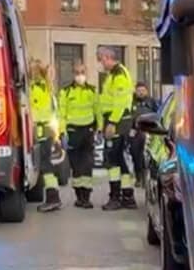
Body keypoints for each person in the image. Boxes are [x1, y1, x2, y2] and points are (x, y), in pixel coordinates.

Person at [97, 46, 136, 210]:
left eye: (101, 59)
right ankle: (127, 196)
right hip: (116, 120)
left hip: (117, 122)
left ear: (107, 57)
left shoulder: (119, 75)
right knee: (121, 160)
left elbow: (119, 101)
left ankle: (116, 197)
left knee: (113, 161)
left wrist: (112, 122)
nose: (100, 63)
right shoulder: (113, 74)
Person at [59, 63, 99, 209]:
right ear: (73, 73)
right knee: (76, 166)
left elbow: (97, 111)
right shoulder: (66, 92)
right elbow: (61, 114)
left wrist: (99, 129)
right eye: (77, 72)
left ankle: (87, 197)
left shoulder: (92, 91)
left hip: (88, 130)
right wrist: (62, 132)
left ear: (86, 72)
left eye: (82, 72)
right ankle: (79, 196)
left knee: (87, 164)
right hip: (72, 131)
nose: (79, 75)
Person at [30, 60, 62, 213]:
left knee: (45, 165)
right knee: (45, 164)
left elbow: (34, 110)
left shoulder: (37, 88)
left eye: (31, 69)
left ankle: (53, 198)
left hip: (42, 131)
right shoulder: (44, 86)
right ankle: (53, 197)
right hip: (46, 131)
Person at [130, 82, 160, 186]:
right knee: (135, 154)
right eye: (139, 91)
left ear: (147, 91)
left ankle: (153, 177)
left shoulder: (152, 102)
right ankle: (139, 176)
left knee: (152, 154)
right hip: (136, 132)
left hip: (150, 132)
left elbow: (159, 115)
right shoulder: (131, 102)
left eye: (143, 91)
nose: (141, 93)